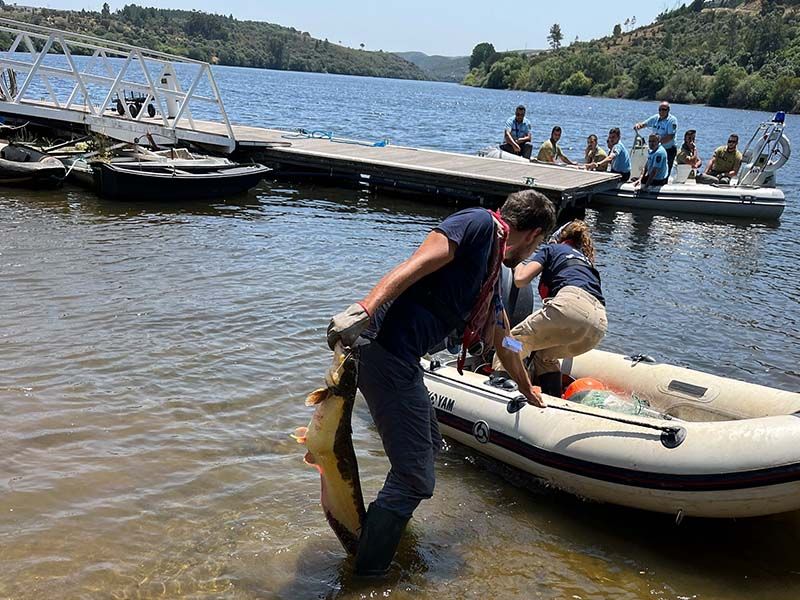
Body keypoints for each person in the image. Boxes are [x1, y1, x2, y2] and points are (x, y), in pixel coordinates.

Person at [326, 190, 556, 577]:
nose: (532, 255)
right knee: (416, 476)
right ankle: (367, 574)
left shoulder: (492, 270)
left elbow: (505, 338)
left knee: (429, 446)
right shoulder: (480, 224)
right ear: (534, 234)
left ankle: (381, 530)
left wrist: (526, 387)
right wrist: (364, 308)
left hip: (402, 359)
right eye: (539, 246)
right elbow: (419, 261)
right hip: (385, 351)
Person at [494, 220, 607, 398]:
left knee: (510, 342)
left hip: (571, 307)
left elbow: (520, 279)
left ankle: (497, 393)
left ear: (558, 237)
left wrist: (517, 261)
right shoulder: (585, 261)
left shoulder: (552, 249)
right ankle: (553, 401)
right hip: (598, 325)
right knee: (545, 356)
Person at [635, 101, 678, 176]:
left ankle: (664, 182)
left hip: (668, 149)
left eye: (664, 110)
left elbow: (670, 136)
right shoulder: (655, 118)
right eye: (660, 109)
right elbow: (644, 124)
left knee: (665, 170)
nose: (661, 111)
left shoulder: (672, 120)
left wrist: (657, 143)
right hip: (656, 148)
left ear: (668, 110)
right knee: (651, 167)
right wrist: (639, 126)